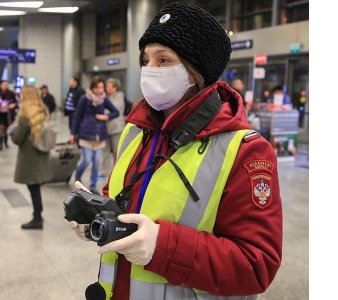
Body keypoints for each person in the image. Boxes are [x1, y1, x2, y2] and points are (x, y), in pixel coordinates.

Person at [68, 3, 282, 299]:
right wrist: (99, 215)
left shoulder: (245, 150)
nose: (149, 70)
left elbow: (256, 265)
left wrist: (162, 245)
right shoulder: (135, 130)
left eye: (164, 60)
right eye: (146, 60)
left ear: (196, 72)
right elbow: (125, 200)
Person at [10, 85, 52, 230]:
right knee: (36, 188)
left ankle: (37, 218)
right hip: (41, 155)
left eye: (21, 95)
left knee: (33, 188)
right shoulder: (43, 111)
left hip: (29, 158)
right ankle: (38, 215)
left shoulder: (25, 115)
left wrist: (12, 132)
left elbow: (17, 139)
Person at [69, 76, 119, 194]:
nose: (101, 90)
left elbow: (116, 112)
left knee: (96, 162)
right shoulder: (84, 99)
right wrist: (72, 133)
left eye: (102, 87)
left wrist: (106, 117)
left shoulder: (104, 99)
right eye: (98, 87)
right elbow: (77, 116)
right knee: (86, 160)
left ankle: (92, 186)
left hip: (99, 136)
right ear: (93, 88)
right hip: (86, 135)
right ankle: (78, 176)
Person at [101, 78, 126, 176]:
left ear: (115, 88)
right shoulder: (104, 97)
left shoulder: (119, 97)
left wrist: (102, 113)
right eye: (106, 86)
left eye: (108, 86)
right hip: (105, 128)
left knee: (117, 151)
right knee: (104, 151)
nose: (106, 88)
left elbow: (113, 111)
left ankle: (118, 172)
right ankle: (103, 172)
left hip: (116, 129)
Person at [0, 80, 17, 151]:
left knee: (6, 129)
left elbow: (15, 102)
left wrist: (13, 105)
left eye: (6, 84)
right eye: (4, 84)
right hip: (0, 114)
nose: (5, 86)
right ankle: (0, 144)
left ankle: (6, 142)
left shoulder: (11, 93)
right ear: (0, 85)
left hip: (8, 114)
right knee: (1, 128)